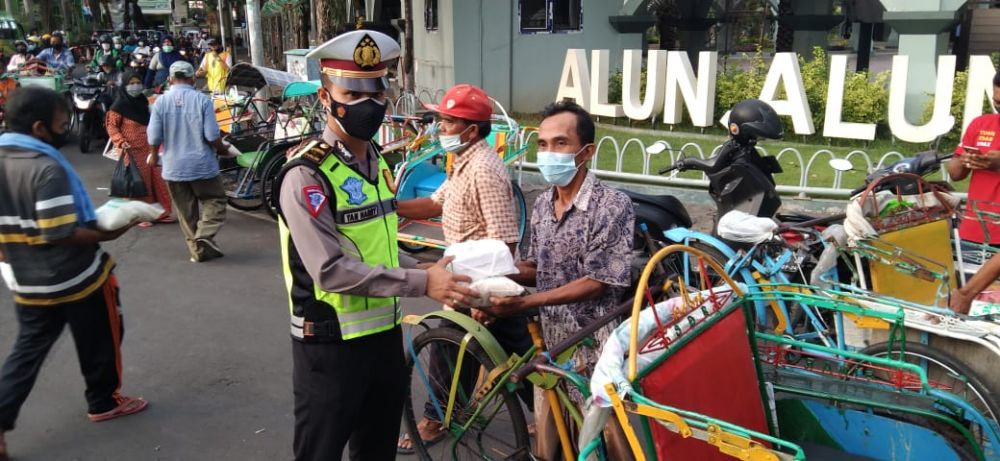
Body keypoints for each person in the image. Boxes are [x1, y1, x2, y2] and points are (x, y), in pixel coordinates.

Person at [273, 30, 478, 461]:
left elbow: (380, 247)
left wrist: (440, 267)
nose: (369, 104)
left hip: (384, 341)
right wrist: (423, 281)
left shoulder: (378, 164)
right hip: (329, 348)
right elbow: (330, 270)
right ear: (325, 97)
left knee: (377, 452)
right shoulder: (306, 175)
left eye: (377, 91)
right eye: (352, 92)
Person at [0, 87, 149, 461]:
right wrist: (116, 227)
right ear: (38, 128)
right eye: (62, 124)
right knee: (101, 339)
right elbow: (60, 231)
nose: (66, 129)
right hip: (78, 279)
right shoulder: (45, 167)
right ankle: (104, 401)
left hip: (29, 283)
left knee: (25, 354)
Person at [484, 100, 635, 460]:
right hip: (552, 344)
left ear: (586, 152)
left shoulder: (611, 205)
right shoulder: (542, 205)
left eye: (560, 143)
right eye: (543, 144)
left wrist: (526, 303)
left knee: (605, 442)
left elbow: (599, 281)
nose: (549, 153)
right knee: (555, 441)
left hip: (596, 346)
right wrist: (490, 274)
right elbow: (539, 267)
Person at [395, 83, 532, 453]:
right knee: (485, 351)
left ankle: (435, 418)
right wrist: (387, 207)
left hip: (480, 282)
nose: (439, 128)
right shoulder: (462, 163)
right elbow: (433, 204)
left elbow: (505, 243)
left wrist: (483, 294)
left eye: (447, 122)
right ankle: (553, 413)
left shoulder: (486, 170)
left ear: (470, 131)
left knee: (452, 348)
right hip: (462, 276)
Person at [147, 61, 229, 262]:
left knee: (186, 212)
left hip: (173, 167)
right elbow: (211, 135)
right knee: (215, 200)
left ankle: (198, 252)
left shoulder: (160, 103)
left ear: (170, 79)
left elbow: (154, 137)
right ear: (193, 78)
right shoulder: (202, 101)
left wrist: (154, 155)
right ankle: (204, 236)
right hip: (202, 165)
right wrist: (222, 149)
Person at [107, 71, 174, 227]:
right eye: (131, 83)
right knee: (140, 183)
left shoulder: (143, 101)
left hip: (150, 147)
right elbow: (111, 127)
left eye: (137, 82)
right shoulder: (119, 105)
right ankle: (138, 216)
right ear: (124, 86)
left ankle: (160, 213)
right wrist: (120, 141)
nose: (135, 86)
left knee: (159, 180)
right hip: (131, 150)